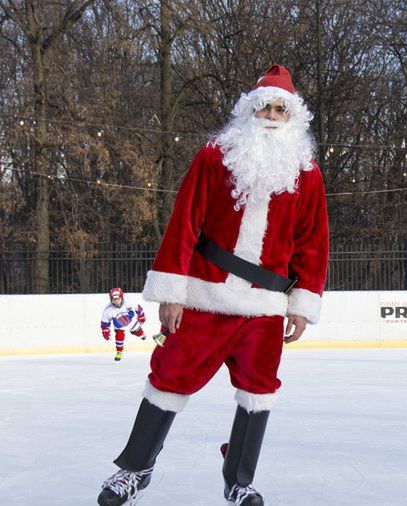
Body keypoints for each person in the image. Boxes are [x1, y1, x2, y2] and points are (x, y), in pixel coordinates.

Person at [97, 65, 329, 506]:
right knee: (169, 377)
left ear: (293, 117)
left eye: (282, 109)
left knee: (259, 392)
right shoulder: (214, 156)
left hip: (265, 306)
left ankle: (238, 479)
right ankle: (134, 470)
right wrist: (171, 292)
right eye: (265, 106)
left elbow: (313, 242)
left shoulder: (307, 173)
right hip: (204, 296)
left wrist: (302, 303)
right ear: (249, 109)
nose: (273, 115)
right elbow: (185, 222)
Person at [100, 287, 147, 361]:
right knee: (119, 335)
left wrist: (142, 317)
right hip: (118, 324)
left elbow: (138, 309)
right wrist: (106, 332)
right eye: (114, 300)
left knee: (138, 332)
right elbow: (105, 323)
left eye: (118, 299)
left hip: (131, 321)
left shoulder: (129, 302)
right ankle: (119, 352)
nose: (116, 302)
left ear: (122, 297)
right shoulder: (108, 310)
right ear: (111, 299)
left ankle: (142, 334)